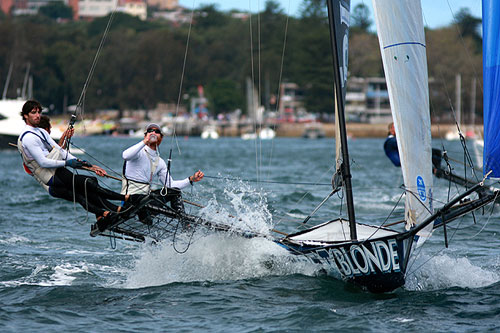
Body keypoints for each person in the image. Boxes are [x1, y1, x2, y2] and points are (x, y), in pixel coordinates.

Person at [17, 100, 132, 233]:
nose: (37, 115)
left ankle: (108, 212)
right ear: (25, 116)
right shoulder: (28, 138)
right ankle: (122, 201)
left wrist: (83, 163)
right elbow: (43, 162)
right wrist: (68, 163)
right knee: (85, 187)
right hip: (50, 178)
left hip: (57, 171)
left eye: (39, 112)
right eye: (33, 113)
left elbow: (60, 151)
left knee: (87, 186)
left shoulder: (40, 132)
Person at [121, 123, 204, 213]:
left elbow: (170, 185)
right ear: (145, 135)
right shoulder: (137, 152)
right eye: (150, 131)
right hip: (128, 200)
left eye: (156, 131)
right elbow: (125, 155)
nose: (153, 133)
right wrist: (145, 141)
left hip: (145, 201)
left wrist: (191, 179)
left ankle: (185, 224)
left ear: (161, 138)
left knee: (174, 192)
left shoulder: (160, 162)